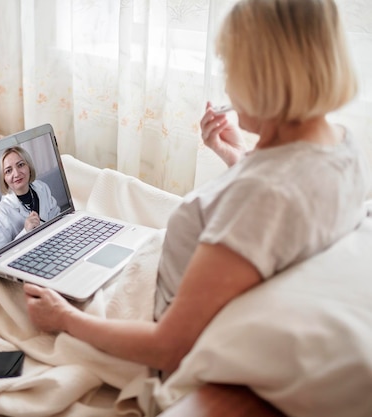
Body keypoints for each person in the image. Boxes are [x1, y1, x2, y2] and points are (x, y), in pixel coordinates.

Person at [24, 0, 371, 375]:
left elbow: (167, 347)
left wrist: (63, 318)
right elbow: (285, 214)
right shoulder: (341, 145)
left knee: (10, 267)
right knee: (87, 185)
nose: (228, 84)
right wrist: (239, 155)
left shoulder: (262, 196)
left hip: (141, 313)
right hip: (163, 261)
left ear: (263, 78)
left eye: (230, 68)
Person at [0, 146, 61, 257]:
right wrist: (25, 232)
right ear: (4, 178)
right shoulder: (0, 213)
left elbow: (57, 216)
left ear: (29, 166)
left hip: (54, 248)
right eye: (8, 171)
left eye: (21, 165)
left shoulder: (42, 188)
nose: (17, 174)